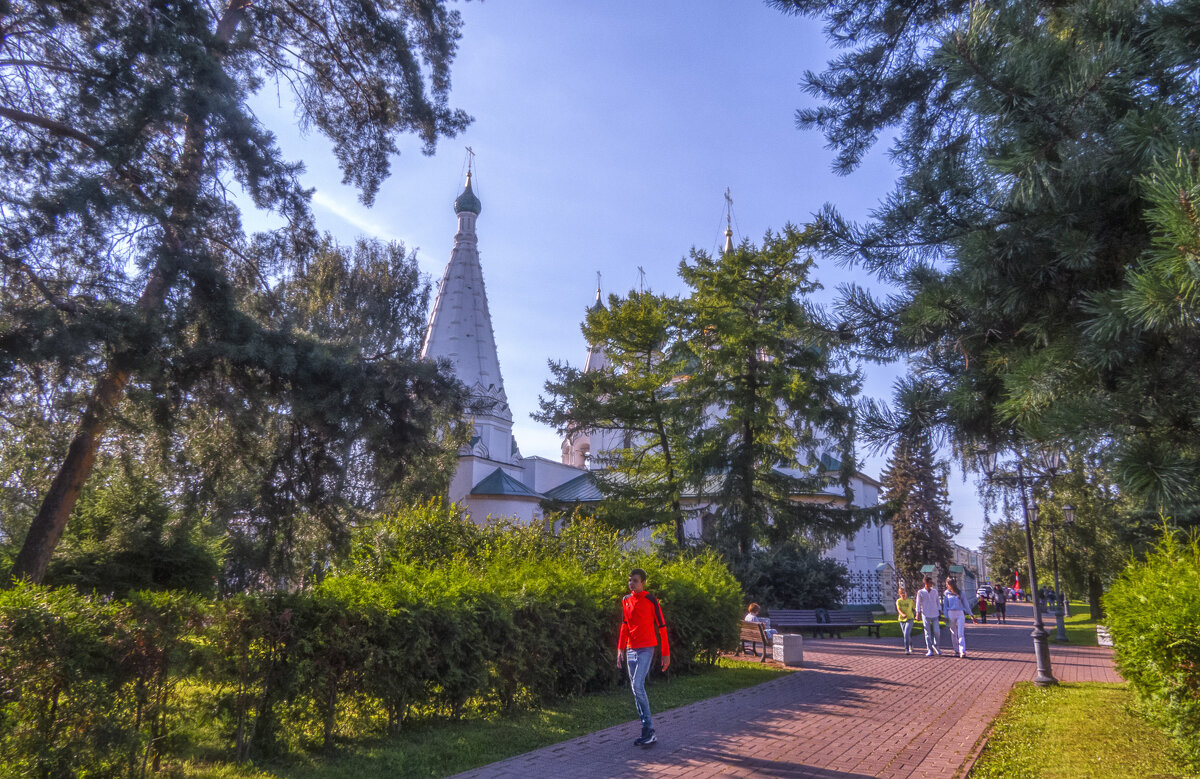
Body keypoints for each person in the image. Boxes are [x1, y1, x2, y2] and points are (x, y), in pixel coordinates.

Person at [617, 568, 670, 747]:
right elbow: (624, 626)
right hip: (630, 649)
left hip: (647, 648)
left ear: (643, 583)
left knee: (637, 685)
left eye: (635, 580)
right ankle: (647, 731)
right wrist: (620, 649)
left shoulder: (650, 599)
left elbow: (662, 626)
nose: (632, 583)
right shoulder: (625, 600)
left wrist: (666, 654)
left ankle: (649, 730)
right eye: (630, 580)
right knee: (635, 689)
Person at [943, 577, 977, 658]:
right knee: (953, 633)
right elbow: (945, 606)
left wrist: (971, 615)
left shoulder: (960, 593)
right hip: (950, 613)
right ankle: (956, 650)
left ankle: (962, 651)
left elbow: (966, 604)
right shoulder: (946, 593)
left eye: (947, 584)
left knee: (960, 633)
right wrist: (946, 616)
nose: (946, 586)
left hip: (960, 613)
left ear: (950, 584)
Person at [914, 575, 942, 656]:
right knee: (927, 633)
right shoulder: (921, 592)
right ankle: (929, 649)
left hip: (935, 614)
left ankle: (936, 646)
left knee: (937, 632)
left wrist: (940, 610)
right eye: (930, 582)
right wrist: (917, 614)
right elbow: (918, 603)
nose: (931, 584)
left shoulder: (935, 591)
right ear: (925, 583)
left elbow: (937, 601)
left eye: (931, 582)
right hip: (925, 614)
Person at [896, 585, 915, 654]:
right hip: (902, 620)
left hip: (910, 619)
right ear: (899, 594)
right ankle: (911, 644)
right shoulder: (898, 601)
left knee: (906, 633)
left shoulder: (910, 601)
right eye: (901, 593)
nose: (903, 594)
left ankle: (906, 649)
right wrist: (902, 614)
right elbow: (898, 609)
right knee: (906, 634)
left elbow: (915, 608)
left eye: (904, 592)